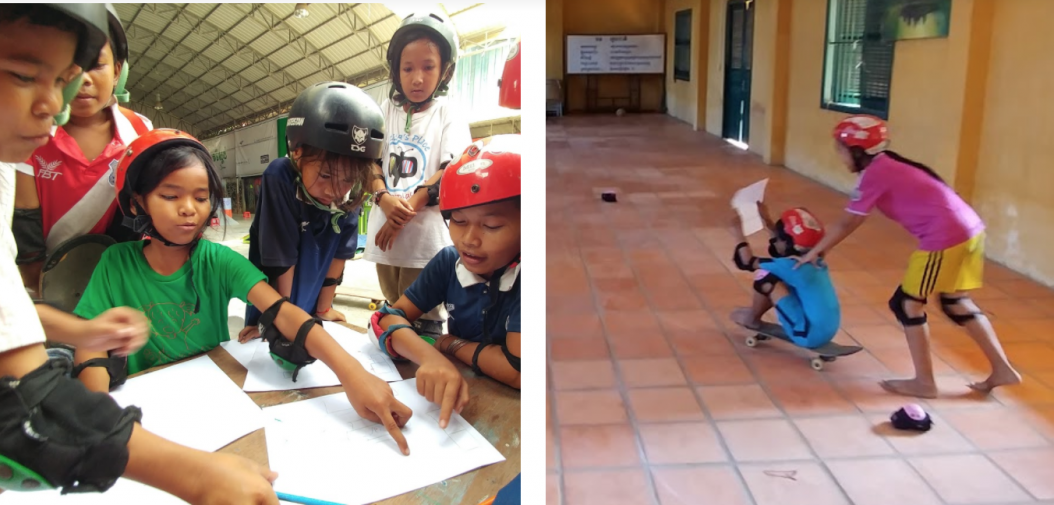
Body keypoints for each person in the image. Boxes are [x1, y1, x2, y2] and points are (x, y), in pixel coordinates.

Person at [0, 4, 278, 502]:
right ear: (139, 200)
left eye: (63, 77)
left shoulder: (124, 138)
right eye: (23, 73)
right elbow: (23, 407)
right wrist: (196, 475)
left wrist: (83, 331)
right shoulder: (20, 157)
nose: (54, 103)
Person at [72, 128, 415, 455]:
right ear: (137, 203)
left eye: (201, 197)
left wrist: (352, 374)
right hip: (143, 412)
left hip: (213, 408)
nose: (189, 208)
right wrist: (98, 413)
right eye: (170, 195)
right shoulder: (114, 264)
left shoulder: (217, 261)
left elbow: (284, 312)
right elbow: (90, 346)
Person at [796, 114, 1021, 398]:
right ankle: (1002, 369)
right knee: (954, 301)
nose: (838, 156)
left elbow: (848, 222)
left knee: (907, 304)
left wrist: (814, 253)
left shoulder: (876, 173)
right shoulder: (888, 163)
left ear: (857, 150)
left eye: (840, 150)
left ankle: (924, 383)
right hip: (970, 230)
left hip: (946, 236)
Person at [370, 135, 521, 429]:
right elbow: (385, 319)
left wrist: (449, 344)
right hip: (466, 401)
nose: (469, 240)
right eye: (459, 221)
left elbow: (518, 370)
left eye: (491, 226)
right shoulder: (449, 263)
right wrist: (431, 357)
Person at [13, 2, 150, 293]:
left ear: (116, 72)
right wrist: (40, 290)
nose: (83, 79)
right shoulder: (27, 132)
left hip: (117, 278)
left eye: (96, 65)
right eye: (70, 67)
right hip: (45, 282)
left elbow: (147, 211)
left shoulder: (140, 132)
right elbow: (25, 224)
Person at [240, 81, 382, 338]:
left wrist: (324, 307)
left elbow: (340, 256)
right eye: (326, 175)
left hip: (308, 308)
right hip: (271, 306)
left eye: (347, 180)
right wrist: (281, 319)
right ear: (298, 153)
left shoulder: (350, 197)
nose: (335, 190)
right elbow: (281, 262)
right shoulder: (280, 177)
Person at [364, 11, 472, 339]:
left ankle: (423, 373)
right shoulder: (384, 112)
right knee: (393, 305)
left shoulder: (447, 112)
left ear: (445, 71)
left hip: (425, 240)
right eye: (408, 68)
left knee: (424, 315)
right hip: (386, 235)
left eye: (428, 67)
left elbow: (451, 168)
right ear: (396, 70)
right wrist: (383, 198)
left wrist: (407, 207)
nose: (417, 78)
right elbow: (370, 162)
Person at [729, 204, 841, 349]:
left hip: (808, 335)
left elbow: (746, 261)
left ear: (789, 244)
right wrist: (766, 219)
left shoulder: (792, 266)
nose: (776, 241)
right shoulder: (813, 258)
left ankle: (752, 319)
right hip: (827, 330)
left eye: (780, 238)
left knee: (765, 276)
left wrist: (738, 231)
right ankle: (754, 313)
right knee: (782, 278)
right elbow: (788, 244)